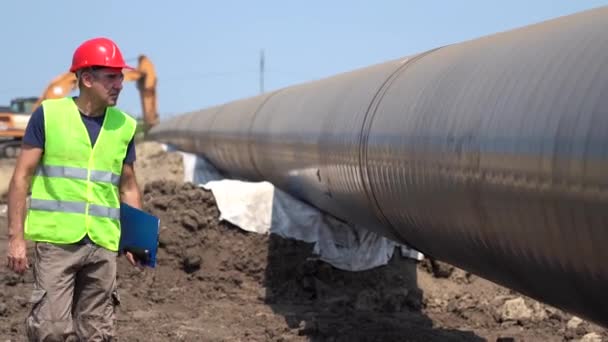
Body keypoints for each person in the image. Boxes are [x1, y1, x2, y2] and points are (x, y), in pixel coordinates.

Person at [6, 37, 144, 341]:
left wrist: (136, 238)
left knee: (97, 332)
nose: (120, 84)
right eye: (111, 76)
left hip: (103, 242)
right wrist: (16, 239)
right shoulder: (49, 115)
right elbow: (20, 179)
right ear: (86, 78)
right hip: (57, 242)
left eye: (121, 76)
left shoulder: (124, 125)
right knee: (51, 330)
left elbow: (129, 186)